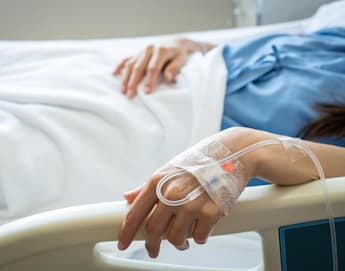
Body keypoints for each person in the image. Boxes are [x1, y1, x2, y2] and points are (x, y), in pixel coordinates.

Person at [114, 28, 345, 258]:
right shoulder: (336, 37)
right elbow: (258, 55)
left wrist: (241, 148)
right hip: (160, 77)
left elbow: (249, 156)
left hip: (179, 146)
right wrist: (188, 45)